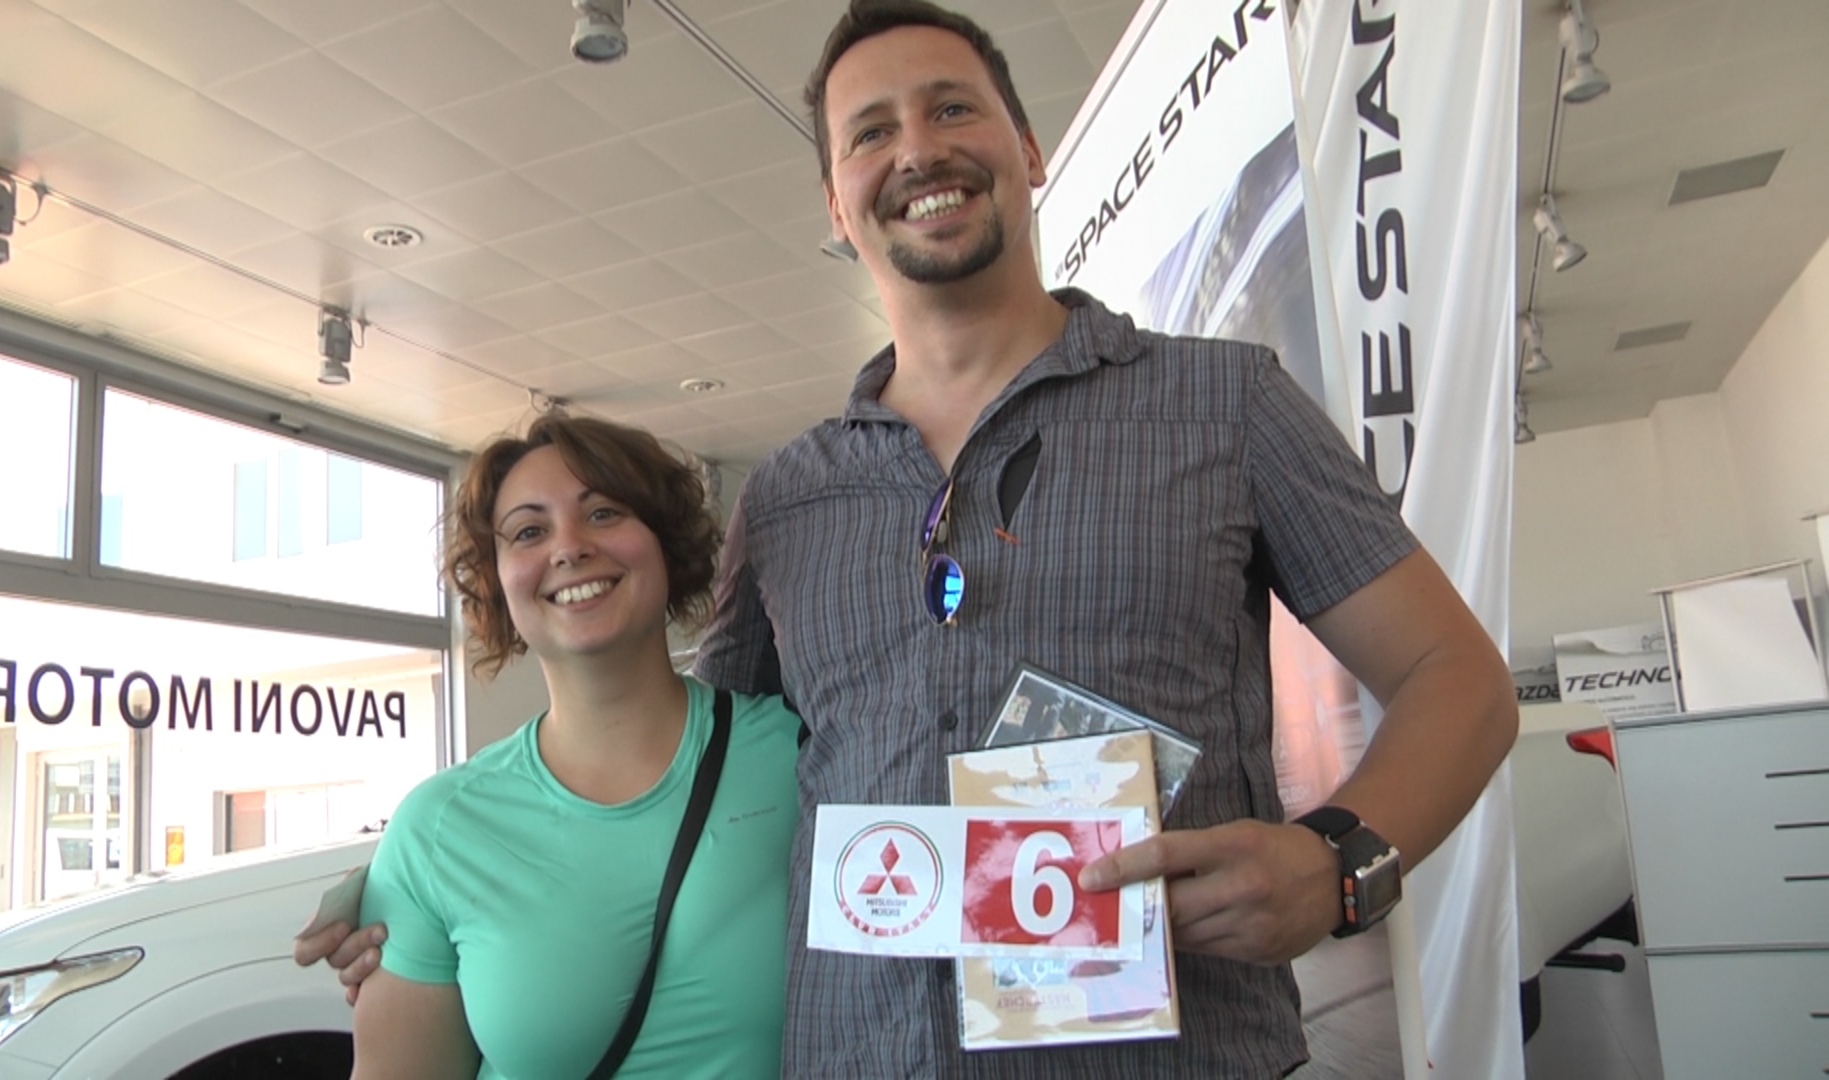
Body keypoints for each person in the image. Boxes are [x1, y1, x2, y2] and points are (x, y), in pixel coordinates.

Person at [305, 2, 1517, 1076]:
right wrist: (417, 891)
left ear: (1028, 148)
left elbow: (1458, 680)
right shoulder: (790, 497)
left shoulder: (1223, 405)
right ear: (837, 208)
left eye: (952, 109)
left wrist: (1340, 864)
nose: (918, 151)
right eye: (870, 133)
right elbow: (692, 772)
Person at [342, 413, 800, 1079]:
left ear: (665, 543)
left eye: (604, 512)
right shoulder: (438, 830)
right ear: (497, 580)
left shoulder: (797, 758)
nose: (569, 547)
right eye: (530, 531)